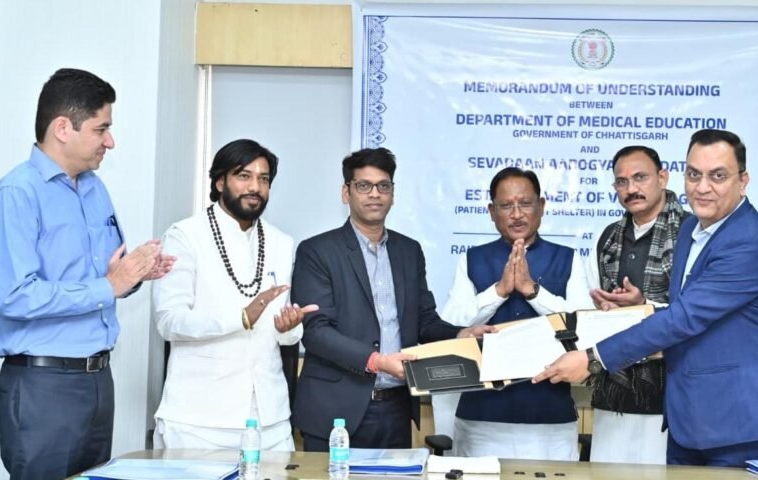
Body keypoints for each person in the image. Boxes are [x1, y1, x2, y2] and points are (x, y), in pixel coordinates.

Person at [535, 129, 758, 467]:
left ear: (743, 181)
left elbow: (683, 319)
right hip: (688, 419)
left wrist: (593, 358)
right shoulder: (691, 230)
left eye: (718, 176)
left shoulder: (748, 242)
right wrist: (641, 309)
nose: (702, 187)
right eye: (694, 174)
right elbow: (685, 309)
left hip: (741, 421)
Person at [0, 68, 174, 480]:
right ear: (62, 128)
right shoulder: (16, 194)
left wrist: (132, 275)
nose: (110, 141)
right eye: (101, 129)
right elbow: (14, 296)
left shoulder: (93, 188)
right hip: (42, 385)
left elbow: (104, 278)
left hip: (97, 380)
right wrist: (108, 285)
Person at [290, 147, 494, 451]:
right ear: (346, 193)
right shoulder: (317, 251)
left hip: (396, 408)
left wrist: (461, 334)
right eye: (364, 185)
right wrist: (377, 362)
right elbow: (316, 332)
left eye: (383, 186)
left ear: (392, 194)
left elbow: (424, 321)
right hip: (335, 411)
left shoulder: (409, 251)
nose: (375, 194)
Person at [152, 139, 317, 451]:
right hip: (199, 420)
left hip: (270, 419)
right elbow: (169, 321)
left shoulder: (281, 242)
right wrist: (240, 317)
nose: (255, 187)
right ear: (220, 182)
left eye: (263, 179)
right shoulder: (185, 236)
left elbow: (284, 336)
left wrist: (289, 328)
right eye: (244, 176)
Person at [441, 167, 592, 460]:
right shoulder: (472, 258)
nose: (517, 214)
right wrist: (498, 291)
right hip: (482, 415)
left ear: (541, 206)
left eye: (525, 203)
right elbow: (450, 326)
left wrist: (532, 291)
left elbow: (583, 326)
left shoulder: (568, 258)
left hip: (550, 416)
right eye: (506, 205)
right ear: (492, 212)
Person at [584, 146, 691, 464]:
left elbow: (697, 313)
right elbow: (592, 308)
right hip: (614, 391)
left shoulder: (692, 232)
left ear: (663, 177)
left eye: (640, 177)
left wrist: (642, 305)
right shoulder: (607, 238)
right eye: (622, 181)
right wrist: (605, 310)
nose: (631, 188)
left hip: (672, 392)